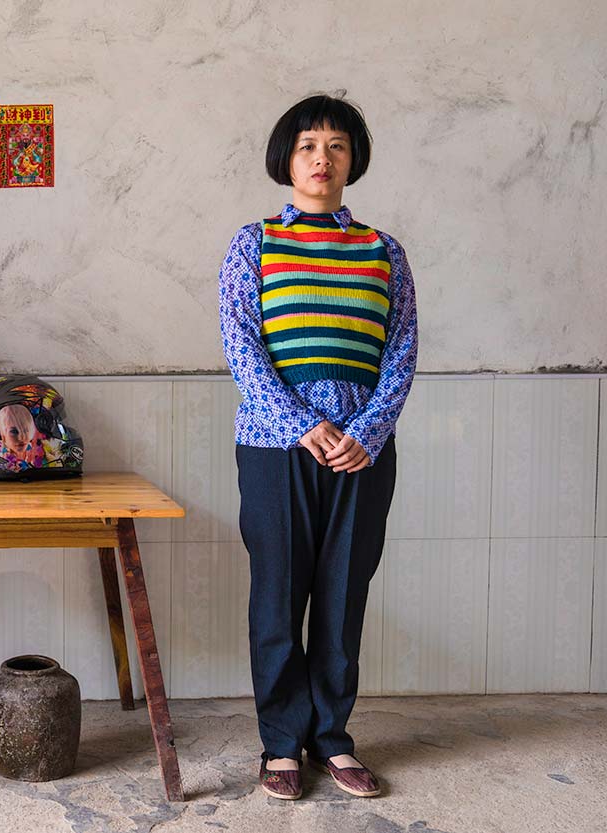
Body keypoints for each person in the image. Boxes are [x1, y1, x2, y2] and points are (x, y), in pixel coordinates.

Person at [218, 94, 417, 801]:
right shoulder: (256, 244)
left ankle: (331, 737)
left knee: (341, 597)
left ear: (352, 160)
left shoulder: (383, 251)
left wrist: (365, 433)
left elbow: (401, 350)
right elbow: (241, 344)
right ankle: (280, 743)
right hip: (277, 445)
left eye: (336, 146)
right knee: (278, 596)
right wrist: (303, 422)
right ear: (287, 159)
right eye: (308, 146)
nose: (322, 159)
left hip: (362, 450)